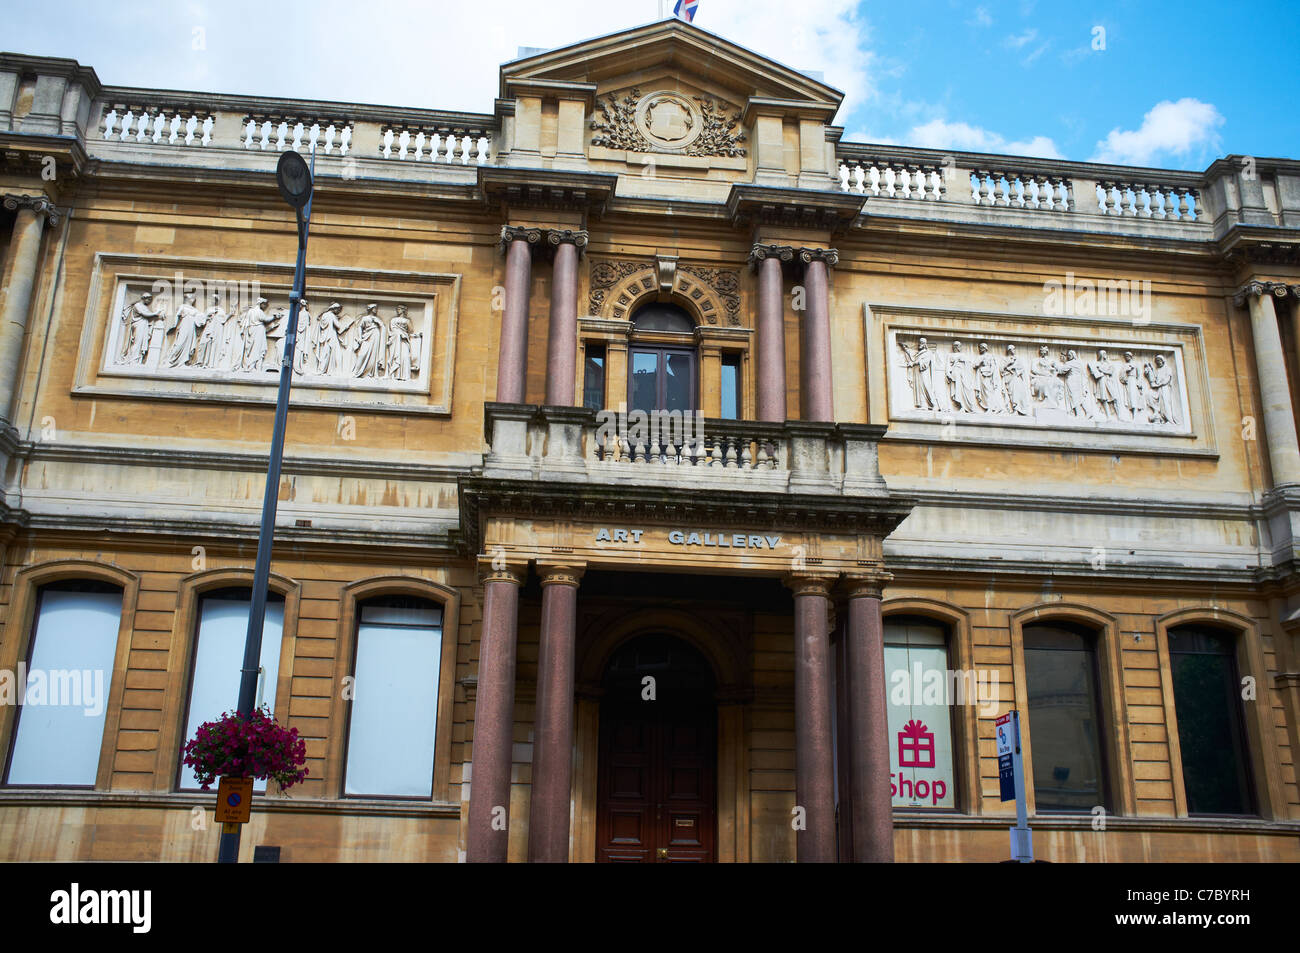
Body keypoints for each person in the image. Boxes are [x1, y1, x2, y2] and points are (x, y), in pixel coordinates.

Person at [121, 292, 164, 365]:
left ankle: (138, 360)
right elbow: (145, 314)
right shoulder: (137, 305)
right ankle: (133, 360)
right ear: (144, 298)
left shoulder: (144, 307)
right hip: (138, 325)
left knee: (141, 343)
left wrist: (158, 316)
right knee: (137, 342)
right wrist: (155, 313)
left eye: (150, 300)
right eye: (149, 299)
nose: (149, 301)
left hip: (143, 325)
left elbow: (149, 316)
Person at [164, 291, 201, 367]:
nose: (193, 299)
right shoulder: (182, 307)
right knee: (180, 343)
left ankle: (184, 362)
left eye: (194, 298)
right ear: (187, 298)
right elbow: (175, 318)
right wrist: (172, 326)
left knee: (189, 345)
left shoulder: (195, 310)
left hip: (191, 328)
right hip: (183, 327)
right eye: (192, 297)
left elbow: (199, 321)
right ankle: (171, 360)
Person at [900, 337, 938, 410]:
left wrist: (914, 363)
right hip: (917, 372)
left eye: (921, 343)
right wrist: (906, 349)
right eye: (919, 343)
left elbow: (924, 363)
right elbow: (913, 357)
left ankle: (932, 404)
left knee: (924, 387)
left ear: (924, 344)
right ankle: (922, 405)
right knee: (918, 388)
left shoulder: (928, 353)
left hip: (923, 373)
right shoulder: (919, 353)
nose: (919, 344)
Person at [351, 304, 386, 379]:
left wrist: (379, 323)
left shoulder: (377, 319)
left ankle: (370, 373)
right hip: (366, 337)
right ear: (371, 309)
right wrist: (360, 338)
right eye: (375, 308)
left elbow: (383, 327)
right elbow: (360, 327)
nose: (376, 310)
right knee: (362, 354)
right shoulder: (365, 318)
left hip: (375, 336)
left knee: (373, 355)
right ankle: (356, 372)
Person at [974, 341, 1007, 413]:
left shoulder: (990, 356)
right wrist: (980, 363)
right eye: (979, 348)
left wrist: (990, 374)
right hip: (980, 375)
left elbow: (993, 367)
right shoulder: (979, 357)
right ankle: (989, 407)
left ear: (985, 348)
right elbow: (974, 365)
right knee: (983, 392)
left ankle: (991, 408)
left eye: (982, 348)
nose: (980, 349)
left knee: (988, 391)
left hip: (988, 376)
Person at [194, 292, 226, 368]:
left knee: (212, 346)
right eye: (212, 299)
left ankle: (208, 363)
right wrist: (207, 317)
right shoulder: (208, 309)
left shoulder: (221, 310)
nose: (213, 301)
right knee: (203, 344)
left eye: (215, 299)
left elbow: (223, 320)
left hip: (216, 331)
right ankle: (200, 362)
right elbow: (202, 320)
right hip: (208, 328)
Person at [946, 341, 977, 412]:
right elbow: (947, 366)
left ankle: (967, 406)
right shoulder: (950, 355)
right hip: (955, 374)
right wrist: (948, 374)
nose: (957, 347)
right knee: (957, 390)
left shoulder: (963, 355)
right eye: (955, 346)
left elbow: (969, 364)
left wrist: (963, 361)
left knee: (965, 389)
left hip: (963, 374)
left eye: (958, 346)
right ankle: (960, 406)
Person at [387, 305, 415, 380]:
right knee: (395, 357)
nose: (397, 310)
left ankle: (404, 376)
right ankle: (395, 375)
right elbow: (391, 330)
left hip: (403, 341)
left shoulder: (407, 321)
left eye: (399, 309)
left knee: (405, 356)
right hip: (395, 341)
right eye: (397, 309)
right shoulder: (393, 320)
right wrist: (398, 334)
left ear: (403, 310)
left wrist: (404, 335)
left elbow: (411, 331)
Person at [1002, 344, 1031, 415]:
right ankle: (1014, 408)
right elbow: (1001, 369)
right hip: (1008, 379)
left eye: (1014, 349)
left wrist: (1014, 368)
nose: (1013, 351)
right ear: (1008, 351)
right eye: (1011, 349)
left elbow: (1022, 368)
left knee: (1018, 393)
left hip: (1016, 378)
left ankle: (1017, 409)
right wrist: (1009, 363)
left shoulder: (1018, 359)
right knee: (1011, 393)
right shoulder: (1005, 359)